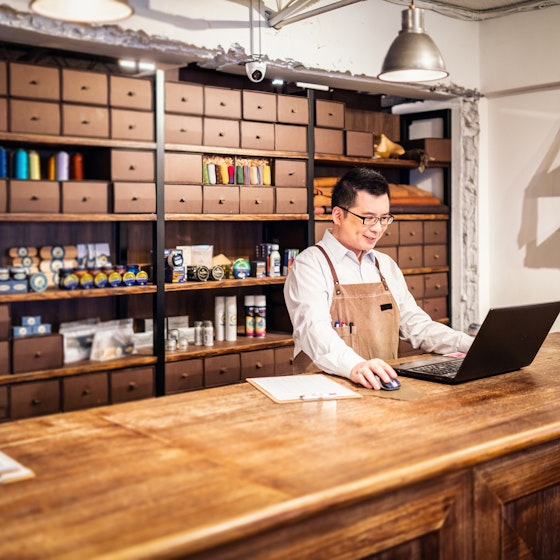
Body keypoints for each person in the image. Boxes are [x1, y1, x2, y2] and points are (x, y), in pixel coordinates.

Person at [284, 167, 473, 390]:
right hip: (326, 392)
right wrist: (355, 366)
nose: (377, 229)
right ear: (337, 215)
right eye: (368, 218)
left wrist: (468, 344)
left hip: (381, 388)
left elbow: (416, 326)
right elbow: (313, 330)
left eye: (384, 218)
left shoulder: (385, 265)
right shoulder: (310, 265)